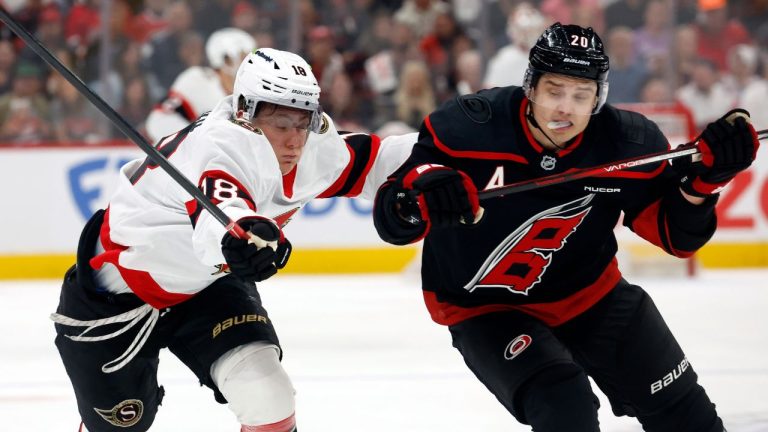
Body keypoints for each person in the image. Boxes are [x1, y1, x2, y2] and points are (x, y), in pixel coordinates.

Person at [372, 22, 760, 432]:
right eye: (554, 90)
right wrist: (420, 197)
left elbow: (676, 237)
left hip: (593, 295)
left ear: (598, 98)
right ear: (531, 87)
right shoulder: (468, 130)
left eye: (581, 95)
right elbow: (393, 217)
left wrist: (704, 183)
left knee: (686, 413)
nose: (565, 108)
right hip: (484, 308)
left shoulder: (628, 143)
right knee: (564, 405)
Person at [52, 48, 415, 432]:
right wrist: (243, 235)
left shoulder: (312, 146)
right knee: (118, 427)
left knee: (267, 395)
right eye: (280, 122)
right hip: (114, 301)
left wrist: (443, 160)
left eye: (302, 121)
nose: (294, 141)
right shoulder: (219, 145)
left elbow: (377, 160)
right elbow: (221, 210)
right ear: (245, 110)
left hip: (206, 286)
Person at [145, 27, 256, 143]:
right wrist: (199, 143)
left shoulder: (253, 94)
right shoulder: (198, 80)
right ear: (225, 59)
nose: (250, 63)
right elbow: (158, 121)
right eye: (243, 56)